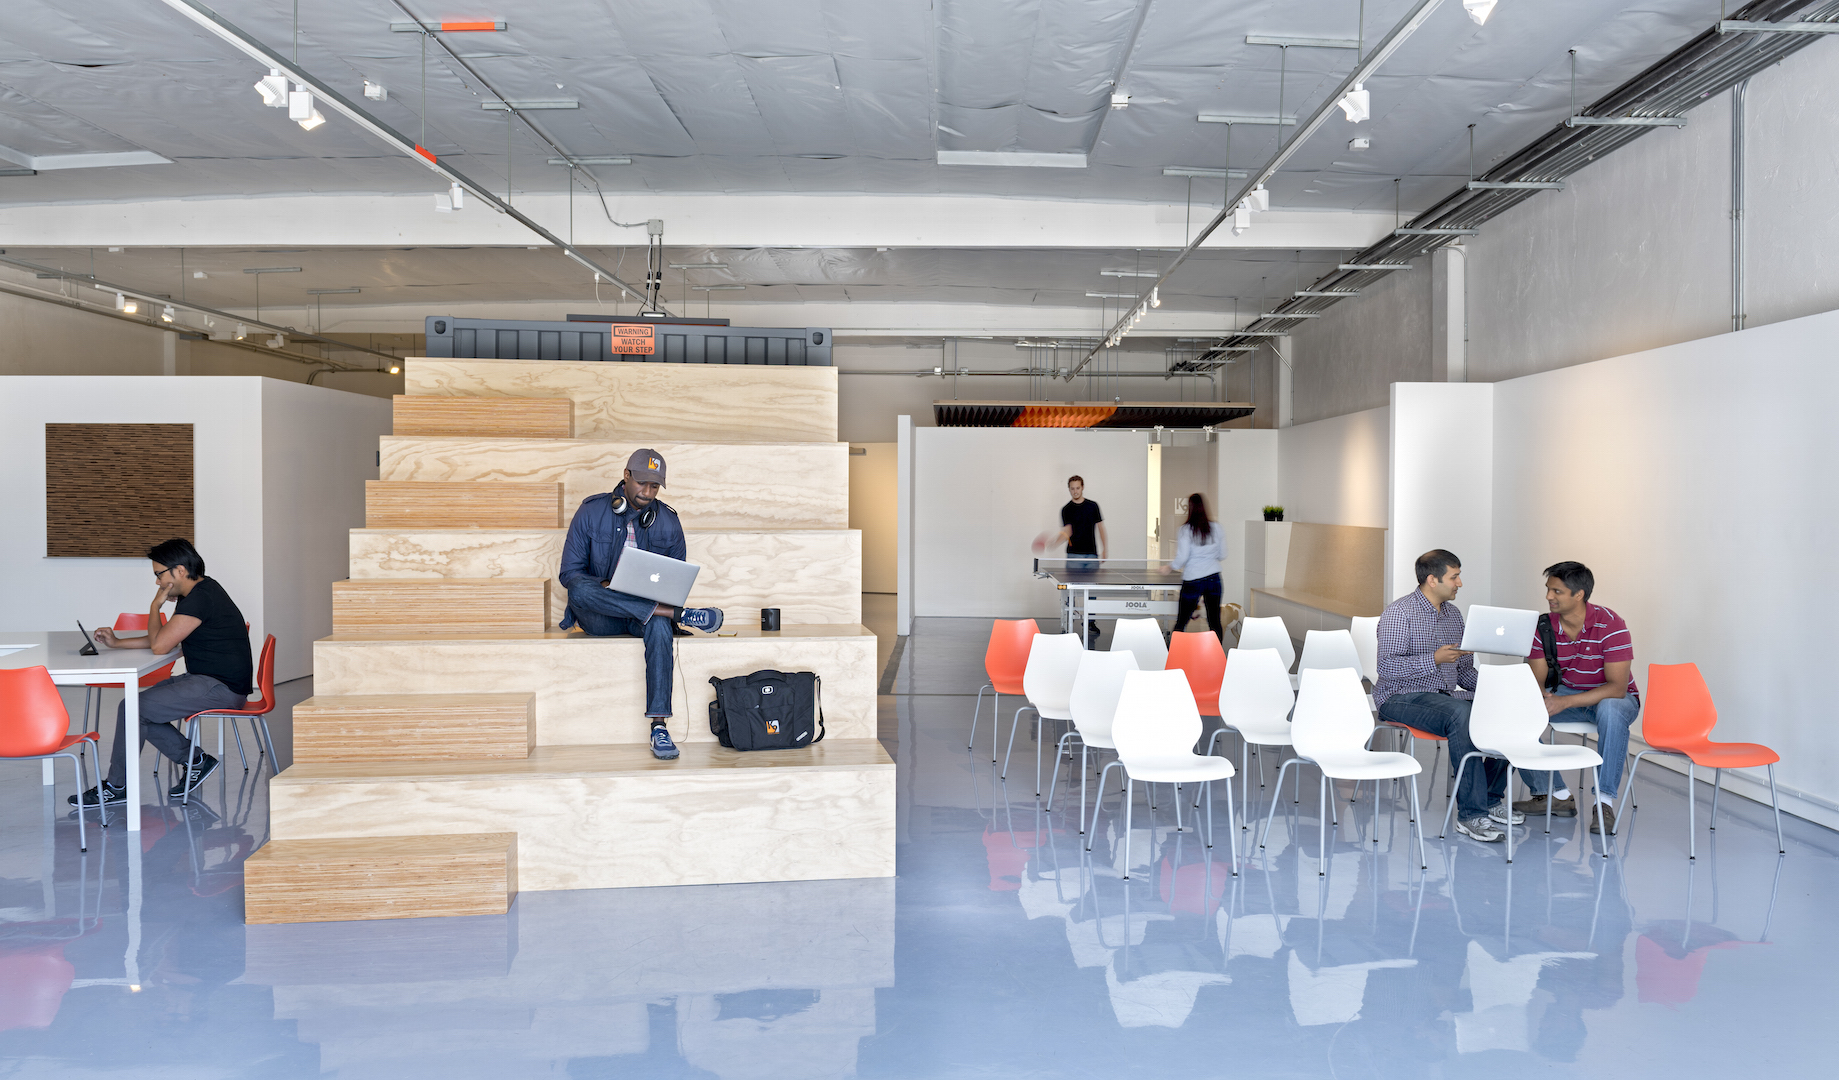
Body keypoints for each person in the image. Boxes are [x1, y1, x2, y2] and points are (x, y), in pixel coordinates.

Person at [557, 449, 725, 760]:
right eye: (642, 484)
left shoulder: (669, 522)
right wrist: (607, 587)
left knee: (660, 624)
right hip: (599, 616)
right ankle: (682, 617)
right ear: (626, 475)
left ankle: (659, 727)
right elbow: (569, 574)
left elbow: (673, 582)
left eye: (655, 487)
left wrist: (661, 604)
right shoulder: (591, 512)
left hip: (643, 615)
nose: (647, 493)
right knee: (579, 590)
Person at [70, 538, 251, 808]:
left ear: (178, 570)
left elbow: (160, 646)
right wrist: (118, 642)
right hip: (207, 681)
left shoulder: (201, 598)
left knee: (134, 708)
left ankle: (117, 786)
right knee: (134, 708)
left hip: (220, 688)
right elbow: (164, 637)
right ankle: (195, 762)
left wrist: (155, 606)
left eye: (158, 574)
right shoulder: (200, 592)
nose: (157, 582)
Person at [1372, 549, 1523, 843]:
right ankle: (1470, 815)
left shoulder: (1453, 616)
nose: (1460, 583)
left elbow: (1465, 672)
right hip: (1400, 697)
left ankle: (1491, 799)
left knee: (1508, 709)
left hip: (1446, 697)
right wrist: (1434, 659)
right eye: (1454, 577)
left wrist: (1497, 691)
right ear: (1432, 579)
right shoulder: (1398, 613)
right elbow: (1386, 666)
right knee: (1461, 714)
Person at [1511, 561, 1640, 834]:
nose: (1548, 597)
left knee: (1612, 710)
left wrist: (1564, 702)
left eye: (1556, 591)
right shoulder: (1542, 627)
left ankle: (1603, 803)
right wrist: (1538, 702)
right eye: (1548, 589)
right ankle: (1555, 795)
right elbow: (1536, 682)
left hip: (1612, 698)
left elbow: (1617, 688)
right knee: (1519, 714)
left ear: (1579, 594)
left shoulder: (1611, 624)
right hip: (1567, 694)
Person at [1051, 475, 1107, 645]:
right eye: (1072, 488)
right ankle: (1069, 623)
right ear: (1069, 489)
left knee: (1092, 593)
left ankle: (1090, 622)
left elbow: (1101, 528)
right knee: (1071, 592)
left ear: (1082, 488)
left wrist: (1105, 549)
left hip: (1091, 555)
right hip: (1073, 555)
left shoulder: (1092, 506)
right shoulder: (1066, 509)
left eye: (1077, 488)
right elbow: (1067, 531)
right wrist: (1054, 542)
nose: (1075, 491)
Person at [1166, 492, 1225, 642]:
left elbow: (1182, 557)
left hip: (1193, 579)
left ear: (1190, 508)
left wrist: (1169, 567)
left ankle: (1173, 656)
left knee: (1181, 622)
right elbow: (1223, 554)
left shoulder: (1185, 530)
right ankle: (1217, 658)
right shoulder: (1217, 528)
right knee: (1214, 622)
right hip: (1214, 578)